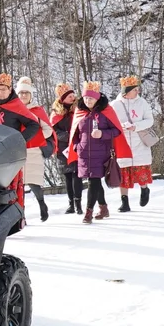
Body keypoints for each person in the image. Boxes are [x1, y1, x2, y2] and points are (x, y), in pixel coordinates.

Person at [69, 82, 126, 224]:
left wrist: (102, 133)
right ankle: (103, 207)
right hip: (84, 154)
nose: (88, 101)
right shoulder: (79, 112)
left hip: (101, 154)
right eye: (86, 98)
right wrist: (77, 146)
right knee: (94, 181)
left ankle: (88, 212)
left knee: (93, 181)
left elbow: (117, 130)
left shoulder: (106, 112)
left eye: (91, 99)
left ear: (97, 99)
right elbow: (75, 133)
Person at [0, 73, 46, 220]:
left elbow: (34, 125)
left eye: (4, 88)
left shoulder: (16, 106)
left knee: (13, 187)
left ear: (10, 90)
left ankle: (16, 217)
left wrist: (19, 140)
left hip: (10, 153)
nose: (0, 92)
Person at [111, 74, 156, 211]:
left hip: (139, 142)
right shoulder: (114, 105)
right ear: (126, 91)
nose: (138, 92)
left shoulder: (142, 103)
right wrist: (121, 127)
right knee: (123, 174)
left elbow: (150, 120)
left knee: (140, 172)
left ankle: (144, 189)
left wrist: (135, 126)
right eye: (135, 89)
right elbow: (109, 122)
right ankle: (124, 202)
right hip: (122, 143)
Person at [16, 76, 57, 212]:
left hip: (34, 150)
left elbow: (48, 130)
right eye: (21, 93)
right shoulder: (13, 109)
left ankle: (41, 204)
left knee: (34, 182)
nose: (23, 95)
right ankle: (21, 213)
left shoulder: (37, 111)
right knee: (17, 185)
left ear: (30, 95)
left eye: (26, 93)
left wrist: (36, 139)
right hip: (17, 150)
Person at [50, 84, 82, 214]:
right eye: (69, 96)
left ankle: (78, 203)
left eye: (73, 95)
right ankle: (71, 204)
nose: (73, 97)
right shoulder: (56, 113)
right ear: (63, 98)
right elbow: (53, 131)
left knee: (77, 174)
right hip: (63, 148)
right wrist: (67, 136)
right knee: (68, 175)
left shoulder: (78, 110)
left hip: (77, 145)